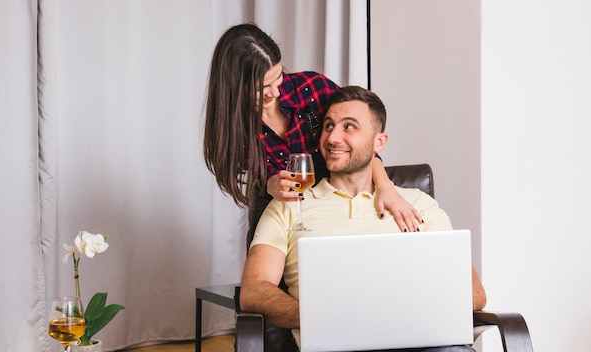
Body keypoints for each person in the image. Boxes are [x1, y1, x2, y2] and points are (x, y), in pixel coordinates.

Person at [239, 86, 487, 351]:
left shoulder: (418, 205)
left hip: (420, 342)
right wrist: (317, 317)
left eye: (349, 127)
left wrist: (404, 315)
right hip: (334, 345)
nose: (333, 137)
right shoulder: (288, 206)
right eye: (328, 126)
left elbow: (474, 292)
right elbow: (254, 290)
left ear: (379, 142)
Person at [202, 23, 423, 244]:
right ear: (235, 86)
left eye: (278, 77)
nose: (275, 92)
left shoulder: (312, 89)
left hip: (337, 199)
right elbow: (261, 175)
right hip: (284, 207)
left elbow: (362, 143)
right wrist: (270, 184)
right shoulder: (232, 131)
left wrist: (387, 188)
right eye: (263, 87)